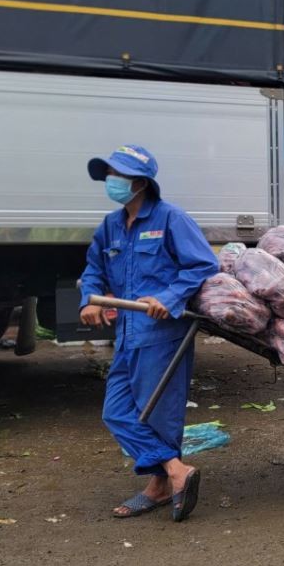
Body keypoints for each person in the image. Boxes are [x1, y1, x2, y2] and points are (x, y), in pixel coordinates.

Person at [78, 145, 218, 521]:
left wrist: (168, 296)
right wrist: (88, 301)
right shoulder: (110, 225)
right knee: (117, 412)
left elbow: (204, 264)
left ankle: (158, 487)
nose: (111, 181)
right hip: (127, 333)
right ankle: (176, 471)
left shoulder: (171, 219)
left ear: (139, 183)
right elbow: (93, 270)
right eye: (108, 174)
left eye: (117, 175)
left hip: (163, 335)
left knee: (159, 415)